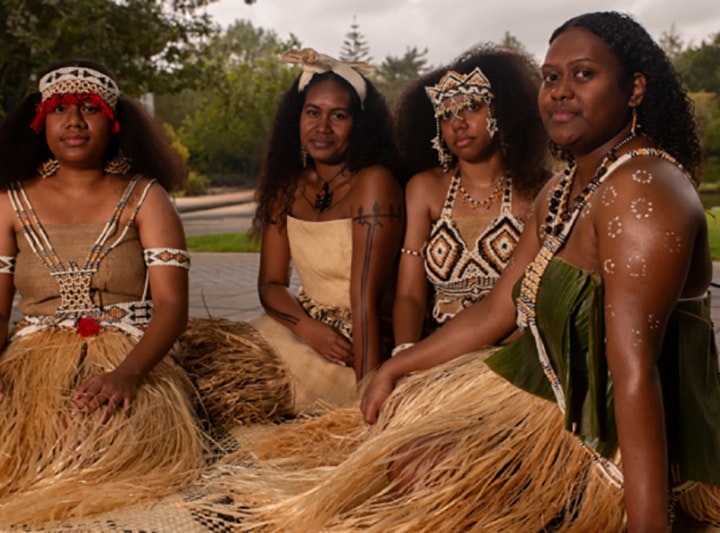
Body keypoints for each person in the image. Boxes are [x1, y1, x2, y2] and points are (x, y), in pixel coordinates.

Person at [187, 13, 720, 532]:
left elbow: (634, 372)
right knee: (397, 449)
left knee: (425, 473)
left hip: (608, 427)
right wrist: (398, 368)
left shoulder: (645, 191)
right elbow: (496, 310)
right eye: (551, 77)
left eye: (584, 74)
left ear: (634, 89)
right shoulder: (563, 191)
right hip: (550, 389)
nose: (559, 91)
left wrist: (647, 522)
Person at [0, 59, 206, 530]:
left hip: (125, 355)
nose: (73, 121)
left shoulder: (145, 197)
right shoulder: (7, 202)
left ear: (113, 122)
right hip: (32, 355)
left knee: (90, 436)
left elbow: (172, 307)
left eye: (89, 109)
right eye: (59, 109)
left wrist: (128, 376)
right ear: (40, 121)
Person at [176, 48, 405, 427]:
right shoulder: (286, 187)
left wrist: (366, 397)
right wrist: (308, 329)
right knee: (196, 371)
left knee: (240, 398)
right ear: (296, 118)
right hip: (305, 328)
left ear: (359, 125)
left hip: (358, 343)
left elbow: (364, 301)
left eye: (339, 116)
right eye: (312, 112)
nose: (322, 127)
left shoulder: (373, 182)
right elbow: (270, 284)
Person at [391, 45, 549, 353]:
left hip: (513, 358)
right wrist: (404, 355)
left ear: (503, 112)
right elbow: (409, 294)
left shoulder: (539, 191)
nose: (458, 123)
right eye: (446, 114)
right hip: (438, 353)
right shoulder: (424, 189)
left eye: (472, 107)